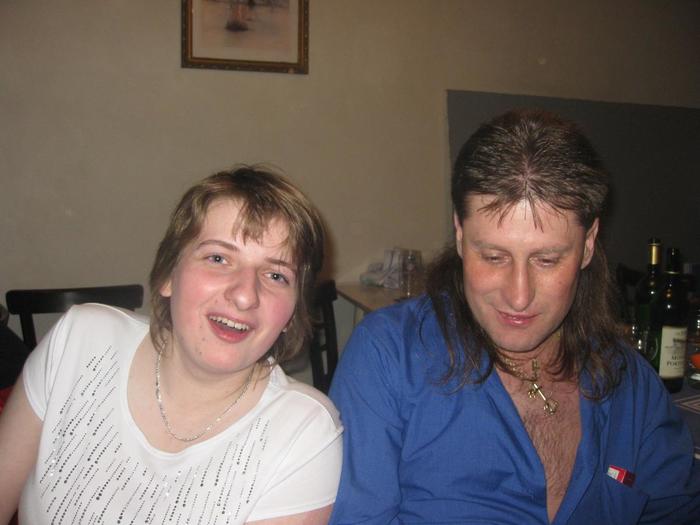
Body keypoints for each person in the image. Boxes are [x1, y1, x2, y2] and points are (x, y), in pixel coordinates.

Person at [329, 109, 700, 524]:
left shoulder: (630, 382)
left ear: (589, 244)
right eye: (493, 256)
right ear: (459, 235)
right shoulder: (388, 359)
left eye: (547, 260)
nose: (518, 296)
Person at [0, 166, 343, 524]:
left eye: (276, 275)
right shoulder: (80, 341)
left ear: (291, 312)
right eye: (218, 258)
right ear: (168, 274)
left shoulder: (303, 433)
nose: (245, 295)